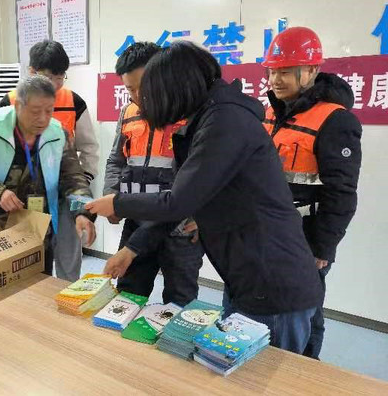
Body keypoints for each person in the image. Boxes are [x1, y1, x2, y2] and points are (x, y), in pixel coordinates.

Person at [86, 41, 323, 354]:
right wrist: (132, 249)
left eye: (150, 90)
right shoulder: (210, 119)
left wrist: (116, 203)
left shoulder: (225, 122)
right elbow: (187, 201)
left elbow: (178, 201)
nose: (144, 100)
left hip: (273, 283)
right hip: (248, 275)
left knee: (266, 372)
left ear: (175, 86)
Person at [261, 27, 362, 359]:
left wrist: (323, 246)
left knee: (304, 311)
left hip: (305, 238)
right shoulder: (269, 112)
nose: (276, 79)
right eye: (272, 71)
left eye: (285, 71)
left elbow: (342, 192)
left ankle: (306, 369)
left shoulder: (335, 120)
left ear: (312, 71)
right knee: (274, 309)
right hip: (267, 231)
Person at [0, 75, 96, 276]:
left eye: (49, 110)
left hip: (38, 231)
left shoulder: (57, 133)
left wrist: (82, 212)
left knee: (38, 286)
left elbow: (73, 178)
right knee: (0, 287)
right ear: (18, 105)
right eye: (35, 111)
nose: (43, 119)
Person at [103, 41, 203, 306]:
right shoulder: (128, 112)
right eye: (130, 89)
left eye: (143, 86)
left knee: (179, 302)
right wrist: (112, 196)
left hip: (180, 228)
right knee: (127, 296)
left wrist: (202, 215)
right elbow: (116, 160)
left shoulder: (190, 116)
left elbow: (206, 177)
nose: (138, 95)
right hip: (137, 219)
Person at [0, 40, 99, 281]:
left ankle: (67, 296)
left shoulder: (74, 101)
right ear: (31, 72)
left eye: (60, 77)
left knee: (68, 255)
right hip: (26, 197)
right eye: (47, 77)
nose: (53, 84)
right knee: (30, 258)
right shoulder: (9, 102)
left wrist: (83, 181)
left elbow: (89, 147)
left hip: (65, 193)